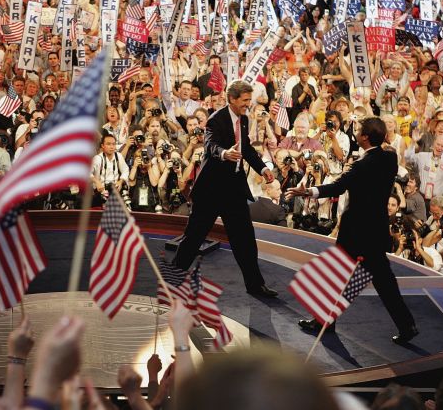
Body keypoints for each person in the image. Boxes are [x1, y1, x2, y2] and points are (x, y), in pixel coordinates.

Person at [287, 116, 418, 344]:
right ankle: (407, 326)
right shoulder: (389, 157)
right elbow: (383, 149)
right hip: (376, 232)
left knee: (335, 275)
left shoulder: (361, 165)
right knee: (385, 281)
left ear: (365, 137)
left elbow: (337, 187)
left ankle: (323, 322)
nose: (355, 132)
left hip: (355, 233)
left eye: (358, 130)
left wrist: (308, 192)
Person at [172, 80, 278, 298]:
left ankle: (255, 285)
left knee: (245, 239)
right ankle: (173, 278)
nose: (248, 104)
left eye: (250, 100)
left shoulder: (245, 119)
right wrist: (225, 153)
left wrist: (263, 168)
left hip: (234, 190)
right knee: (193, 237)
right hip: (211, 190)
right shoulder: (215, 120)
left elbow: (247, 149)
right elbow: (210, 146)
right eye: (245, 100)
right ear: (232, 98)